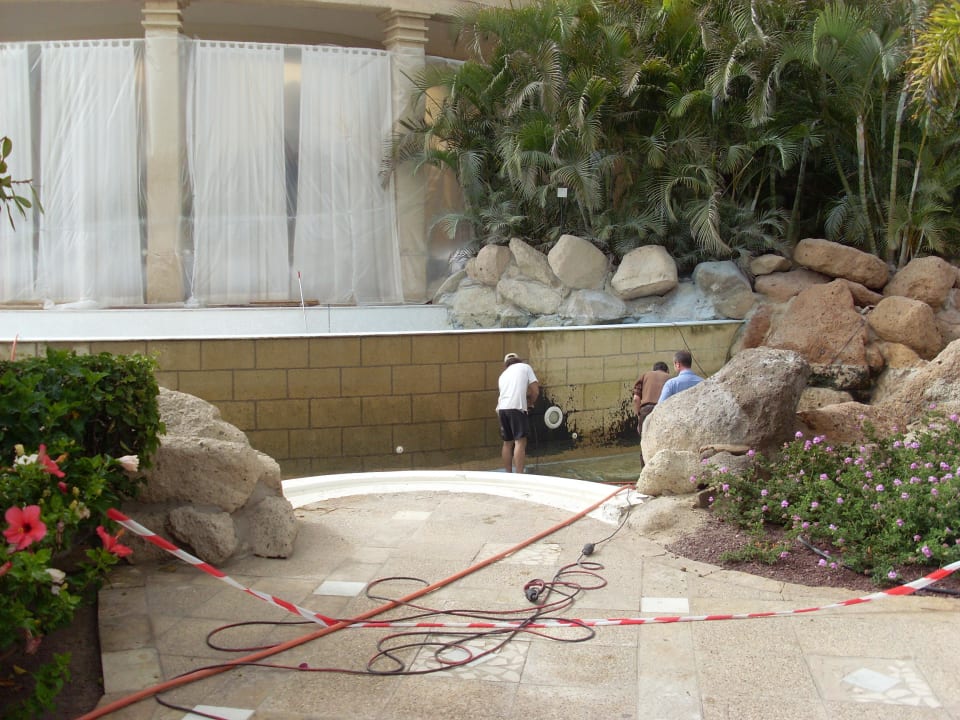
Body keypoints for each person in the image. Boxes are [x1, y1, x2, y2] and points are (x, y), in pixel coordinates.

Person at [496, 352, 539, 473]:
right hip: (516, 407)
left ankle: (508, 474)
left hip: (502, 409)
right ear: (518, 360)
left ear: (506, 364)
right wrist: (530, 403)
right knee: (520, 441)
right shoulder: (525, 367)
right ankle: (519, 475)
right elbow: (535, 391)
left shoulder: (503, 375)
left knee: (507, 443)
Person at [632, 361, 670, 436]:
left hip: (646, 410)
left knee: (645, 437)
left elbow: (636, 399)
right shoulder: (670, 378)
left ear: (653, 370)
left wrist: (638, 415)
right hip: (663, 410)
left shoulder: (645, 375)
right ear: (667, 370)